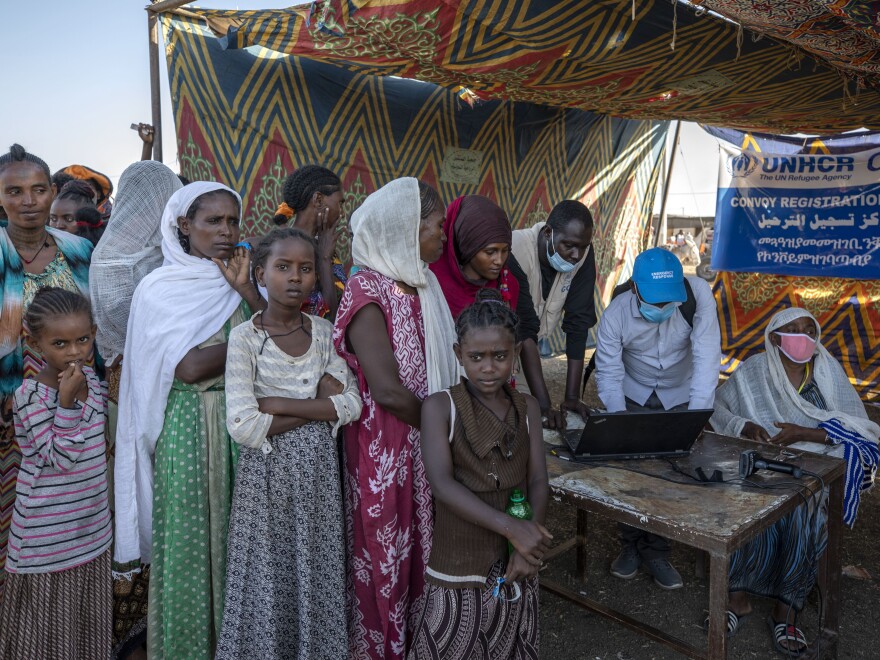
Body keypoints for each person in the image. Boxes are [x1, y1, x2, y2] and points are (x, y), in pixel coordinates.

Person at [113, 182, 265, 660]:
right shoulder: (161, 289)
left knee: (240, 545)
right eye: (212, 221)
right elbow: (191, 367)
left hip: (242, 427)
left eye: (232, 221)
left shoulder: (243, 283)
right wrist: (258, 332)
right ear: (184, 225)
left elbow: (283, 341)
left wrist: (247, 293)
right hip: (187, 429)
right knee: (188, 548)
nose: (225, 232)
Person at [217, 227, 362, 659]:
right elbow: (242, 424)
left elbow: (351, 403)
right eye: (282, 268)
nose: (294, 278)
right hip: (267, 479)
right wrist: (315, 401)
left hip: (316, 478)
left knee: (313, 569)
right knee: (268, 572)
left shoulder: (322, 332)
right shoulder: (246, 338)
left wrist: (277, 403)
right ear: (260, 273)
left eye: (304, 268)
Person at [333, 178, 460, 659]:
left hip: (424, 435)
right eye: (435, 226)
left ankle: (423, 641)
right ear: (406, 228)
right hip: (386, 446)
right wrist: (447, 428)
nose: (442, 238)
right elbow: (385, 389)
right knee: (387, 551)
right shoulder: (369, 289)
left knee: (422, 549)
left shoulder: (422, 284)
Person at [709, 307, 879, 654]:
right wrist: (745, 427)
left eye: (810, 330)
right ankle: (737, 597)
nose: (805, 337)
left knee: (807, 508)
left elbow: (856, 425)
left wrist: (805, 433)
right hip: (767, 457)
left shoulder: (827, 370)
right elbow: (718, 407)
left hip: (816, 460)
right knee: (743, 496)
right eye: (795, 329)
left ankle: (786, 609)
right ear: (775, 337)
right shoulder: (754, 370)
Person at [408, 289, 551, 659]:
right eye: (476, 357)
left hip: (516, 554)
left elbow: (537, 480)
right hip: (459, 557)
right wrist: (511, 528)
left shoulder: (528, 407)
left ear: (516, 354)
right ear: (459, 355)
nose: (489, 367)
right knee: (452, 643)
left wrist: (527, 543)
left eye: (500, 356)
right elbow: (441, 484)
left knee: (510, 639)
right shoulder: (440, 406)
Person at [88, 160, 183, 658]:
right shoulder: (119, 268)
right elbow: (151, 345)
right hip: (138, 398)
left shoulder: (140, 257)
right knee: (141, 498)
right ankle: (136, 633)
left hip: (135, 396)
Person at [594, 247, 720, 590]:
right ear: (635, 288)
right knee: (630, 471)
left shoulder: (698, 296)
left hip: (680, 395)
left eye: (669, 303)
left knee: (670, 473)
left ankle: (658, 551)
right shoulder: (616, 312)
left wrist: (693, 418)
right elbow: (607, 372)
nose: (664, 309)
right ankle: (630, 546)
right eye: (656, 303)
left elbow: (708, 357)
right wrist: (620, 421)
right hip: (632, 394)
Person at [0, 144, 94, 596]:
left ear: (52, 193)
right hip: (11, 413)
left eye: (38, 189)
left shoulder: (79, 249)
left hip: (74, 408)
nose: (28, 201)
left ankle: (64, 614)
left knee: (67, 519)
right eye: (14, 191)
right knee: (16, 523)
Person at [0, 288, 111, 658]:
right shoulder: (29, 396)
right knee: (45, 640)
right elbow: (61, 458)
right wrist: (65, 403)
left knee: (82, 633)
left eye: (82, 340)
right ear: (34, 343)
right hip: (45, 544)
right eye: (60, 343)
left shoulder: (93, 384)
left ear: (94, 332)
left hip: (90, 533)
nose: (75, 352)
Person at [429, 195, 561, 428]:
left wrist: (542, 405)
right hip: (443, 401)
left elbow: (524, 334)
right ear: (468, 245)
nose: (499, 260)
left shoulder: (508, 283)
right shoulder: (433, 283)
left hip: (492, 402)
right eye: (490, 252)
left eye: (505, 251)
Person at [509, 199, 597, 422]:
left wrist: (571, 397)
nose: (576, 256)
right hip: (505, 347)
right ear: (548, 233)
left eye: (583, 247)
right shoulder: (513, 250)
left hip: (528, 346)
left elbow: (578, 323)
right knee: (520, 414)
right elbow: (525, 329)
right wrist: (545, 406)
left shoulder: (582, 253)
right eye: (569, 245)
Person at [281, 165, 346, 318]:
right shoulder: (285, 248)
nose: (342, 213)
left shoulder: (325, 246)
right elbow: (332, 317)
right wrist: (324, 259)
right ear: (318, 199)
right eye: (340, 203)